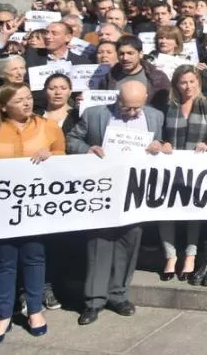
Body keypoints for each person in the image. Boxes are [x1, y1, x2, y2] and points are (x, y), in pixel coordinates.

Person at [66, 81, 167, 326]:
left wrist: (159, 147)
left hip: (133, 193)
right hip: (102, 192)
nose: (131, 113)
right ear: (117, 99)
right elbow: (71, 140)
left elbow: (162, 146)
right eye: (126, 107)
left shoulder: (155, 116)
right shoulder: (95, 114)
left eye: (136, 109)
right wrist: (87, 149)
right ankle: (93, 301)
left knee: (129, 242)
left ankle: (119, 295)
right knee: (99, 244)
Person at [0, 83, 65, 346]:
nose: (26, 103)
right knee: (4, 259)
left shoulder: (48, 127)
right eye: (19, 100)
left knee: (34, 255)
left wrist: (52, 155)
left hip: (35, 208)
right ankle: (3, 315)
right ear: (3, 106)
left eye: (28, 98)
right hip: (1, 210)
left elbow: (64, 156)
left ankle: (35, 310)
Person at [159, 65, 207, 283]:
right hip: (171, 167)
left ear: (198, 82)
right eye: (183, 82)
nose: (188, 86)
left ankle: (190, 255)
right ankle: (170, 256)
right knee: (166, 211)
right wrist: (163, 143)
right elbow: (160, 133)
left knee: (192, 210)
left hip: (198, 167)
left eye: (192, 81)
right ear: (176, 84)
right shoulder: (168, 105)